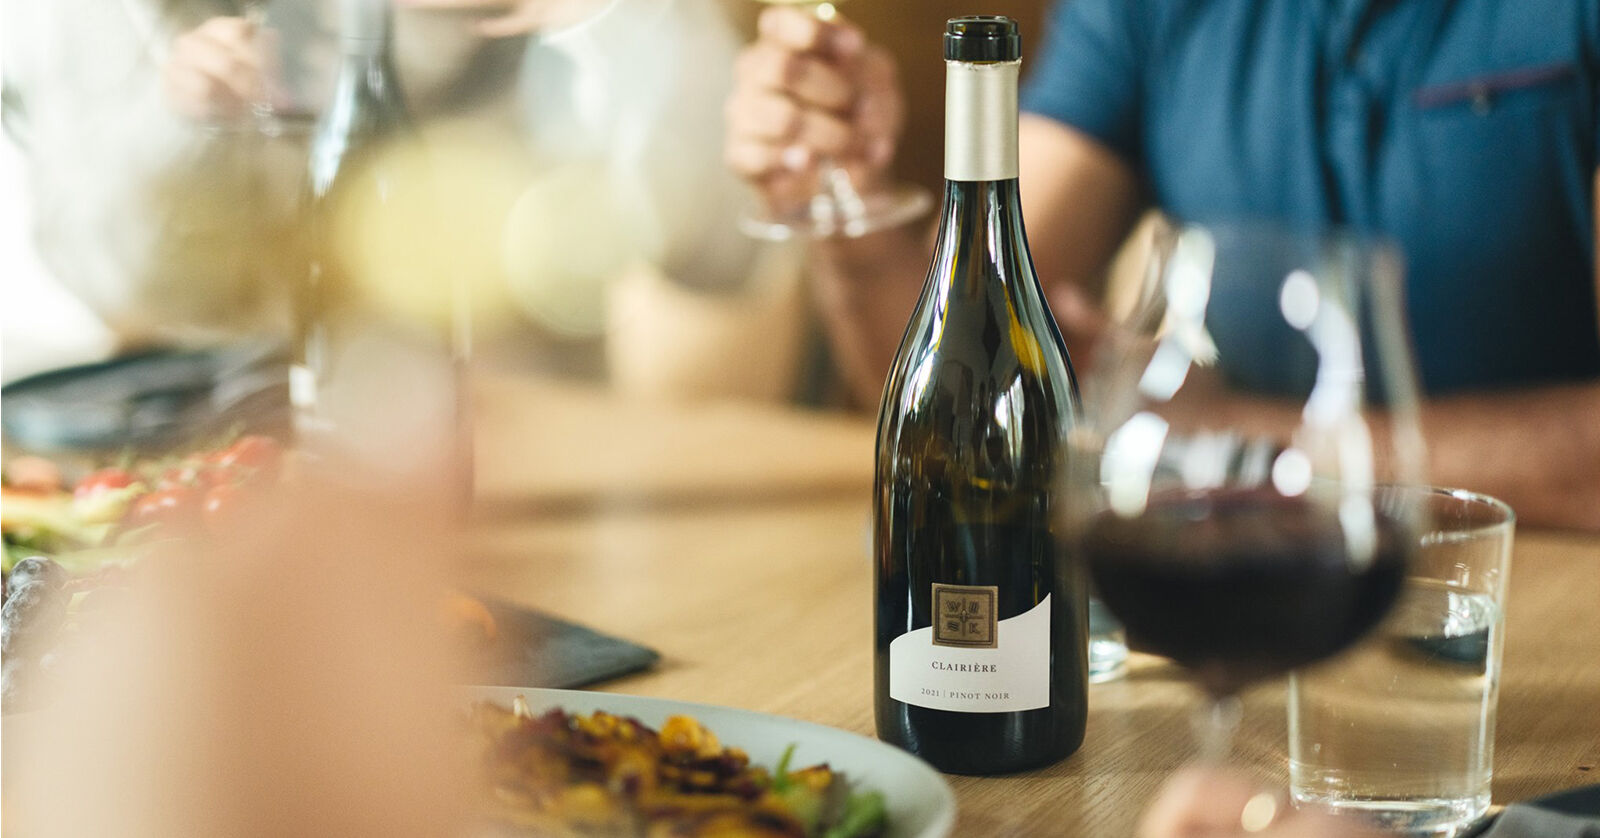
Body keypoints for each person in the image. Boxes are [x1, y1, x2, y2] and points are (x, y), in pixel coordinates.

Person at [723, 2, 1600, 532]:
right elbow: (953, 373)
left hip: (1537, 606)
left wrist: (1222, 439)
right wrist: (845, 208)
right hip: (1249, 574)